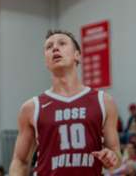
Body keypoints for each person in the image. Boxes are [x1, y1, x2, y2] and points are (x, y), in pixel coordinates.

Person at [8, 30, 121, 176]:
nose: (55, 48)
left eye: (62, 43)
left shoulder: (104, 101)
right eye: (49, 47)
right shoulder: (31, 108)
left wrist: (112, 158)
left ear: (77, 55)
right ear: (46, 61)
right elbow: (20, 161)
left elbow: (116, 157)